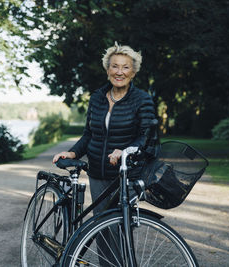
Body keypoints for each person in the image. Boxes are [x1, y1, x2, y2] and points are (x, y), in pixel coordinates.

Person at [53, 42, 156, 265]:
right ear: (107, 69)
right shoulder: (97, 97)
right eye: (115, 66)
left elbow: (146, 136)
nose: (119, 72)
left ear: (134, 71)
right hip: (98, 172)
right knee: (102, 228)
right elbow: (89, 134)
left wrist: (125, 150)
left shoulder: (142, 100)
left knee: (120, 225)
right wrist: (73, 153)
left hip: (125, 172)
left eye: (125, 67)